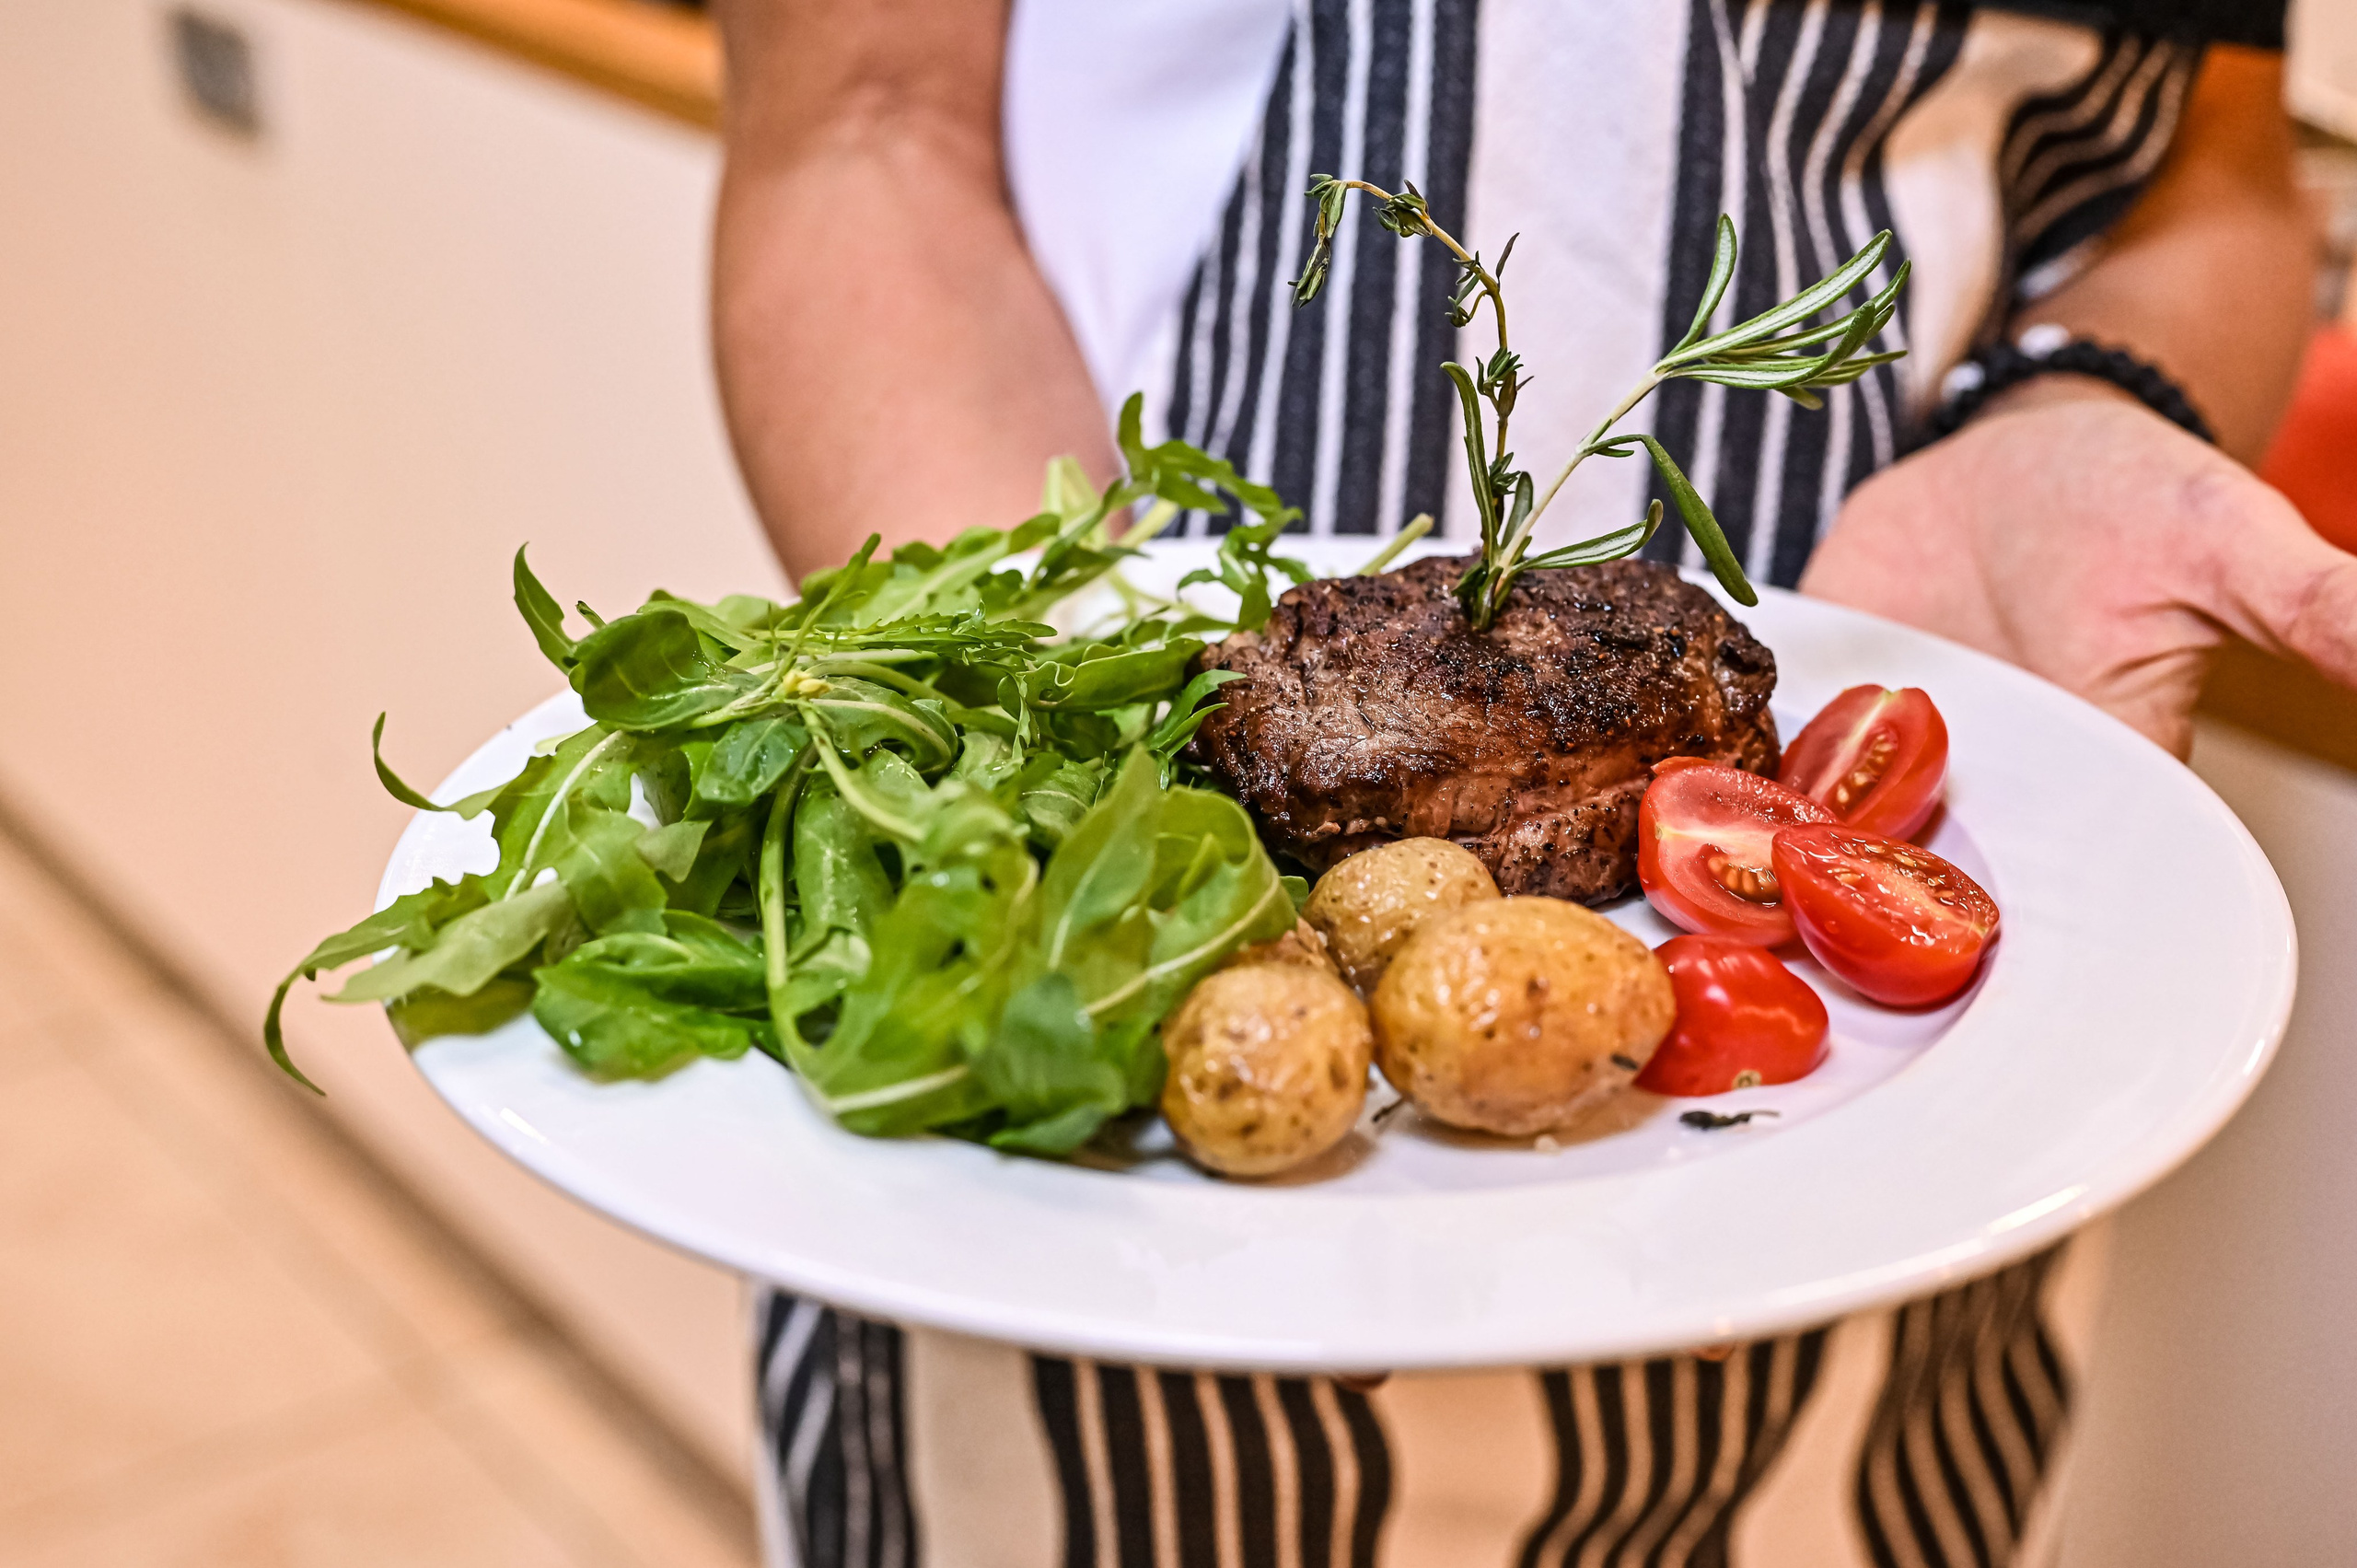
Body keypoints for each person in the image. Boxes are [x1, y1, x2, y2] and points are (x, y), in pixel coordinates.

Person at [709, 3, 2355, 1564]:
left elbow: (2204, 173)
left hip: (1881, 1254)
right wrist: (1052, 709)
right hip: (1058, 1331)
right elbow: (864, 124)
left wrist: (2090, 397)